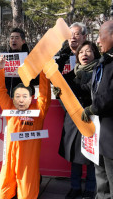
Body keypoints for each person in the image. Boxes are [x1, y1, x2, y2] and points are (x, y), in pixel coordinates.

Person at [0, 55, 51, 199]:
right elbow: (1, 91)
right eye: (18, 95)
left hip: (28, 161)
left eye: (25, 95)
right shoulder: (9, 106)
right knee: (2, 195)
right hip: (10, 157)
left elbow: (44, 94)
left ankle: (35, 178)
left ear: (31, 96)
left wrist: (44, 71)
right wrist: (0, 69)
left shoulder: (39, 110)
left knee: (27, 197)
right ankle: (16, 185)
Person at [55, 23, 98, 199]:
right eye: (81, 52)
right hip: (73, 120)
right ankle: (74, 187)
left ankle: (90, 188)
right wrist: (61, 95)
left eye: (87, 51)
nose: (84, 55)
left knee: (91, 157)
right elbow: (60, 86)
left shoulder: (100, 70)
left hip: (92, 118)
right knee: (75, 156)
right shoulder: (70, 74)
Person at [81, 20, 113, 199]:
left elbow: (109, 95)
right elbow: (93, 88)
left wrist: (93, 108)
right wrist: (66, 87)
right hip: (99, 134)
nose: (98, 41)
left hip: (110, 133)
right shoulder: (103, 62)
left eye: (101, 36)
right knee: (101, 178)